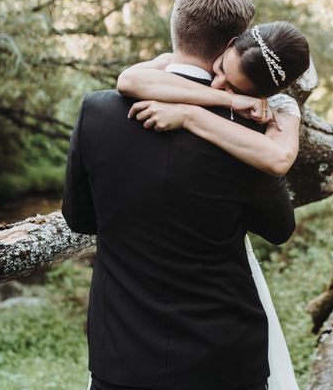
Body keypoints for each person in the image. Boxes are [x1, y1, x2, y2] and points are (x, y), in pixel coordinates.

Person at [62, 0, 302, 390]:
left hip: (122, 357)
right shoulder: (247, 130)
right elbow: (279, 229)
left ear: (175, 25)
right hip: (223, 361)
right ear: (231, 43)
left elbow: (79, 218)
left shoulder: (96, 112)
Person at [116, 21, 310, 390]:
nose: (217, 83)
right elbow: (129, 81)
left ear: (270, 92)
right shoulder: (189, 67)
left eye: (235, 86)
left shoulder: (281, 107)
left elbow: (277, 158)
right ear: (229, 45)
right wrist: (231, 100)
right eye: (222, 70)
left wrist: (190, 115)